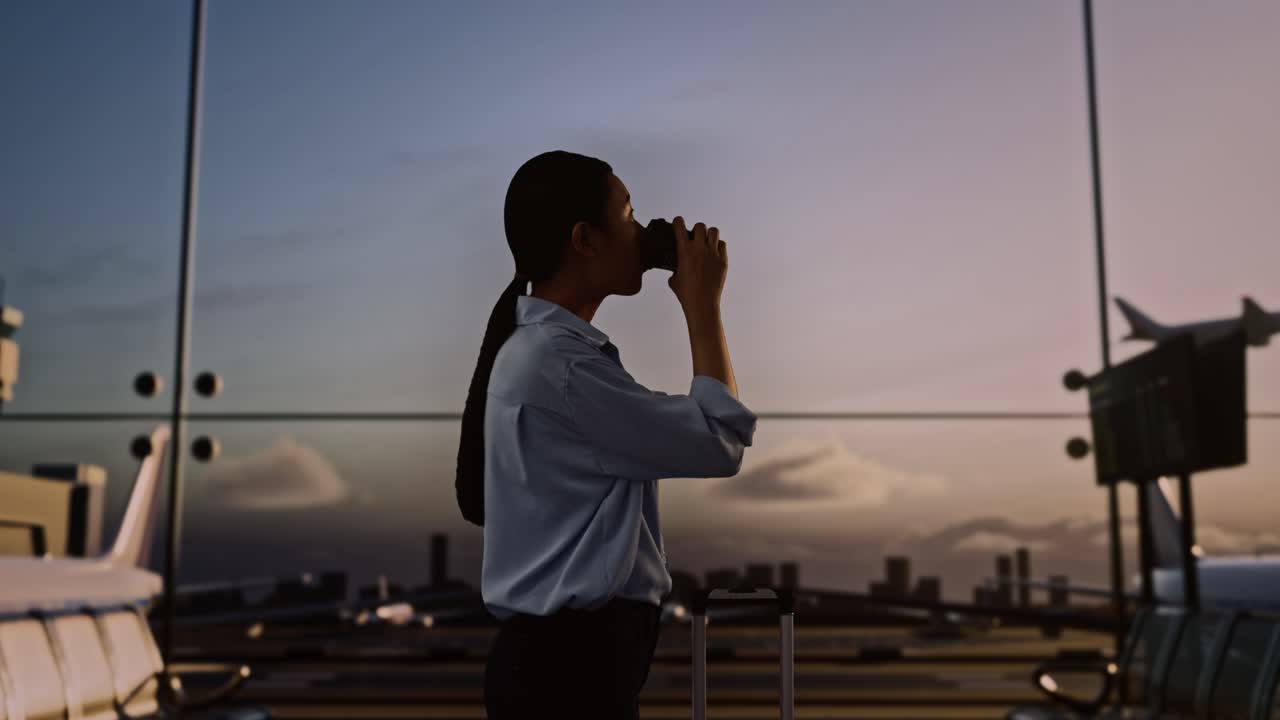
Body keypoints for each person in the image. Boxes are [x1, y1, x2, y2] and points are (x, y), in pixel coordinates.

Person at [455, 150, 758, 719]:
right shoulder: (560, 366)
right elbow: (720, 439)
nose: (643, 232)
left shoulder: (550, 355)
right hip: (568, 677)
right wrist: (703, 307)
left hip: (567, 669)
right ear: (585, 240)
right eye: (629, 213)